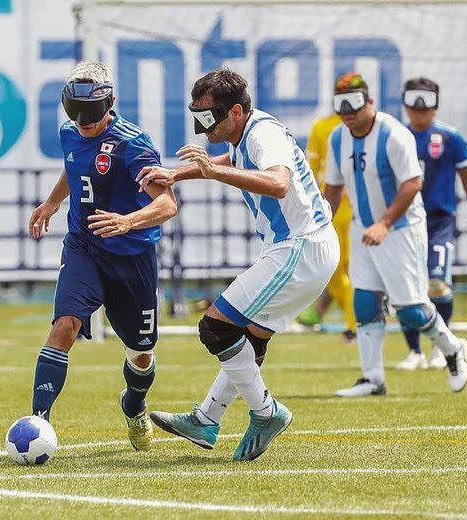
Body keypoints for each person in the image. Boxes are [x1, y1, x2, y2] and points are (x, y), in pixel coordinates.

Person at [136, 68, 339, 461]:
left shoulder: (263, 133)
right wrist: (177, 173)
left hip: (299, 247)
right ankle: (207, 418)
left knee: (215, 327)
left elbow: (278, 182)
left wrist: (213, 172)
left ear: (236, 112)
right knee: (250, 339)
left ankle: (266, 413)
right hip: (302, 248)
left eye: (208, 117)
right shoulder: (249, 132)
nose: (202, 127)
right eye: (197, 116)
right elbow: (232, 159)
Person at [27, 61, 177, 450]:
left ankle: (134, 404)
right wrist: (51, 203)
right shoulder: (69, 132)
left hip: (132, 256)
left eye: (90, 114)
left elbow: (167, 204)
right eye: (74, 113)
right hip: (84, 246)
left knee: (141, 354)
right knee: (64, 327)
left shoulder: (133, 144)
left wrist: (127, 222)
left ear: (109, 103)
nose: (82, 122)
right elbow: (74, 167)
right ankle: (37, 424)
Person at [323, 73, 467, 397]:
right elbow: (333, 186)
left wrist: (385, 223)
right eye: (340, 104)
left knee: (411, 309)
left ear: (370, 102)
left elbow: (412, 183)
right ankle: (373, 378)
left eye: (354, 103)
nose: (348, 111)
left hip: (401, 229)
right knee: (364, 301)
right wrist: (320, 223)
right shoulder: (337, 137)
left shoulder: (392, 134)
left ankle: (453, 347)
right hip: (363, 228)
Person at [395, 77, 467, 371]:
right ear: (405, 105)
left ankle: (441, 345)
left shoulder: (450, 138)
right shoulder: (395, 135)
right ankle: (413, 351)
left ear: (436, 106)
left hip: (439, 220)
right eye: (413, 105)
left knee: (437, 284)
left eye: (425, 106)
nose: (419, 112)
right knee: (405, 287)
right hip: (404, 221)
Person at [298, 103, 356, 343]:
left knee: (334, 268)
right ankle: (354, 320)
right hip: (353, 206)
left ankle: (357, 324)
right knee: (344, 268)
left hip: (332, 206)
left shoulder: (323, 127)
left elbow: (310, 168)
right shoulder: (361, 127)